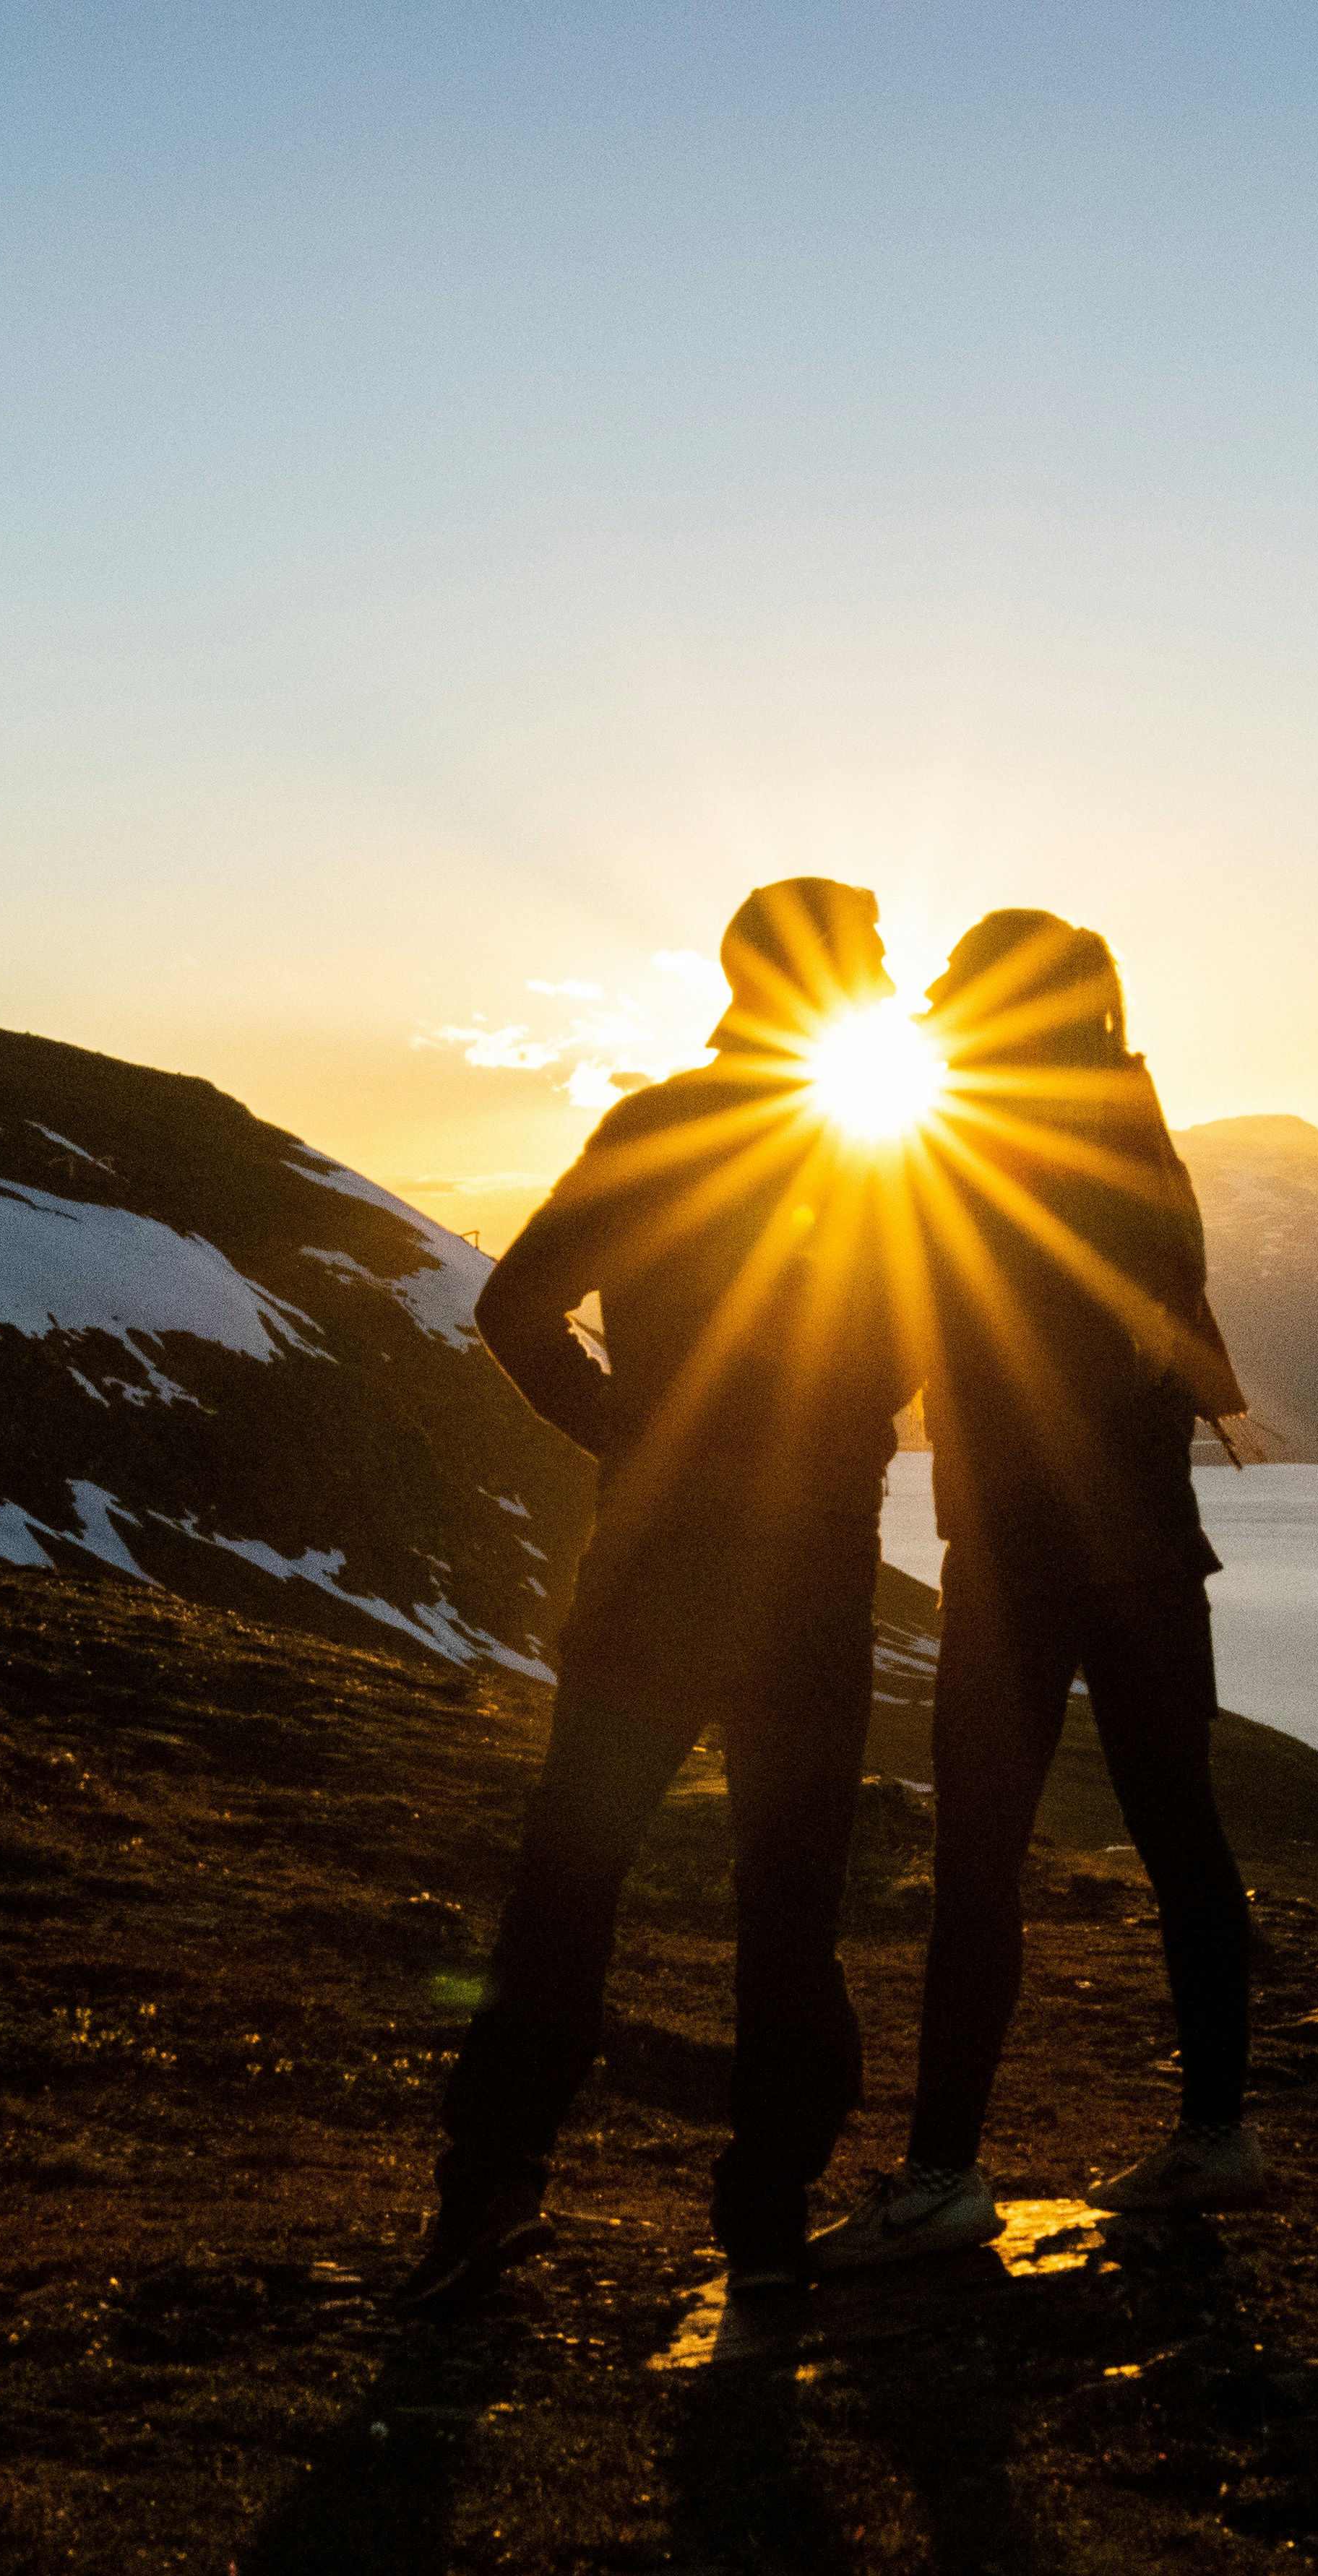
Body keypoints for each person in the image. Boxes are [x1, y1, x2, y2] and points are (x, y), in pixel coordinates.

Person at [389, 876, 916, 2314]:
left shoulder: (658, 1128)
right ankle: (765, 2216)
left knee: (575, 1869)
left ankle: (489, 2182)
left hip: (656, 1555)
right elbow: (912, 1339)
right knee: (788, 1894)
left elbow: (515, 1305)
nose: (888, 972)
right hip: (804, 1572)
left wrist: (629, 1428)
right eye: (872, 954)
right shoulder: (878, 1144)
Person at [809, 909, 1264, 2272]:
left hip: (1019, 1558)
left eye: (958, 983)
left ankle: (944, 2171)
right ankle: (1217, 2137)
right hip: (1149, 1552)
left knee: (979, 1864)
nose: (935, 1001)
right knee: (1182, 1839)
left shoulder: (979, 1143)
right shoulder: (1133, 1129)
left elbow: (914, 1328)